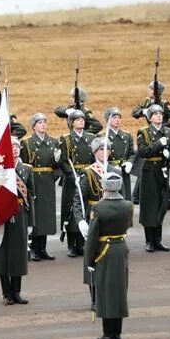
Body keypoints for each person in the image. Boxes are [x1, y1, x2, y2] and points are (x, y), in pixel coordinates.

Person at [84, 173, 133, 339]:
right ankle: (117, 332)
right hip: (120, 248)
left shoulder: (98, 207)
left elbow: (92, 237)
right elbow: (128, 225)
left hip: (104, 251)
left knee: (105, 292)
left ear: (104, 187)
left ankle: (108, 333)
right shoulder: (128, 205)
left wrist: (88, 260)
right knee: (119, 291)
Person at [73, 137, 121, 310]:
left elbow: (123, 198)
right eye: (101, 149)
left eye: (107, 149)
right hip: (93, 219)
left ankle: (109, 295)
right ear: (94, 153)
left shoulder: (115, 172)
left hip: (112, 219)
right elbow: (78, 199)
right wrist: (80, 221)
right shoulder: (88, 172)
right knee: (93, 257)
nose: (104, 152)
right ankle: (94, 298)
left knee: (111, 258)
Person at [0, 137, 35, 305]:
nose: (16, 149)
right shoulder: (0, 169)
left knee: (18, 254)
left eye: (18, 146)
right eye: (12, 146)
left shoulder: (26, 169)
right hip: (4, 214)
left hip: (20, 214)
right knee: (4, 254)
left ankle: (16, 291)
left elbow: (30, 196)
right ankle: (6, 292)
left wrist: (31, 221)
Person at [131, 82, 170, 206]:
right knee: (144, 162)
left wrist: (163, 128)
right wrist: (143, 111)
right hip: (149, 136)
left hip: (161, 136)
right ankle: (137, 195)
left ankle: (166, 199)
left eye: (150, 89)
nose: (148, 91)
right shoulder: (148, 102)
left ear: (155, 91)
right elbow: (134, 112)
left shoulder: (164, 104)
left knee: (161, 166)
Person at [137, 104, 170, 252]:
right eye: (155, 114)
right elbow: (143, 152)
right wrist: (158, 144)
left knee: (161, 203)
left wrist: (169, 156)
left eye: (161, 114)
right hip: (149, 171)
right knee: (149, 206)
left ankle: (158, 240)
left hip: (163, 169)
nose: (159, 116)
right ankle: (149, 240)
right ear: (150, 118)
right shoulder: (144, 132)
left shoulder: (168, 132)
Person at [20, 113, 60, 261]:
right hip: (34, 180)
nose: (43, 124)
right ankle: (33, 248)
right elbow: (23, 164)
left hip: (47, 181)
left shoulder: (53, 142)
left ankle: (42, 248)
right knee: (35, 214)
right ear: (34, 126)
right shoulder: (27, 143)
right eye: (40, 122)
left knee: (45, 215)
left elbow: (58, 164)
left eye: (45, 122)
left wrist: (55, 173)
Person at [58, 109, 94, 257]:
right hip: (72, 178)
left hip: (86, 176)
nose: (81, 121)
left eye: (83, 119)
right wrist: (73, 177)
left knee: (85, 208)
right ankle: (71, 244)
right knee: (71, 210)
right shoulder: (66, 139)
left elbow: (93, 158)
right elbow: (63, 161)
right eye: (78, 119)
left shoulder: (90, 137)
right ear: (71, 123)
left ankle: (82, 242)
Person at [97, 107, 135, 200]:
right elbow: (98, 156)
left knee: (125, 196)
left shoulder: (126, 135)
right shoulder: (101, 136)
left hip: (123, 169)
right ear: (108, 120)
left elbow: (132, 154)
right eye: (114, 117)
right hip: (109, 170)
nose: (117, 120)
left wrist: (130, 162)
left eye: (119, 117)